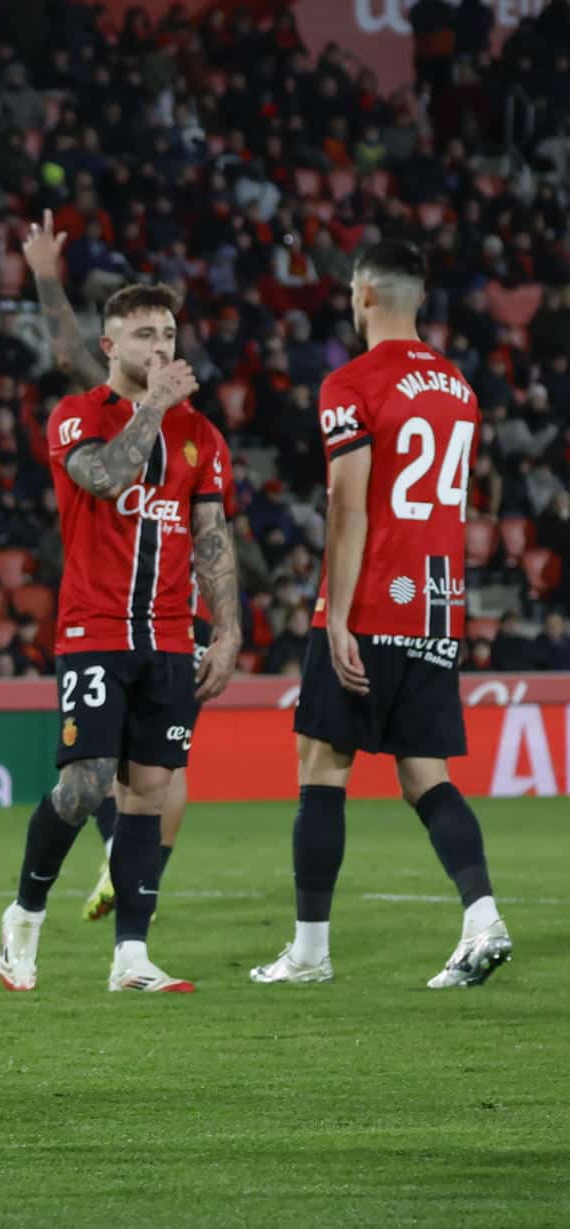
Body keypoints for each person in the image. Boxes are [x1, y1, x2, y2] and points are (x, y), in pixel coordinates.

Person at [251, 240, 511, 989]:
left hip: (374, 598)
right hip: (438, 602)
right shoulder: (458, 386)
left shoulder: (351, 382)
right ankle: (482, 914)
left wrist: (336, 614)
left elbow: (349, 505)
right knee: (425, 772)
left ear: (362, 293)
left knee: (322, 764)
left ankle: (309, 953)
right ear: (418, 297)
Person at [0, 278, 241, 994]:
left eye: (168, 335)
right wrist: (156, 406)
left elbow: (211, 537)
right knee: (84, 784)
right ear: (109, 346)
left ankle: (131, 955)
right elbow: (104, 477)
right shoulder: (77, 415)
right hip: (94, 627)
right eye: (144, 336)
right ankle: (25, 914)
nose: (161, 349)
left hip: (169, 634)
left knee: (151, 791)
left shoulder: (203, 435)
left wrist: (225, 633)